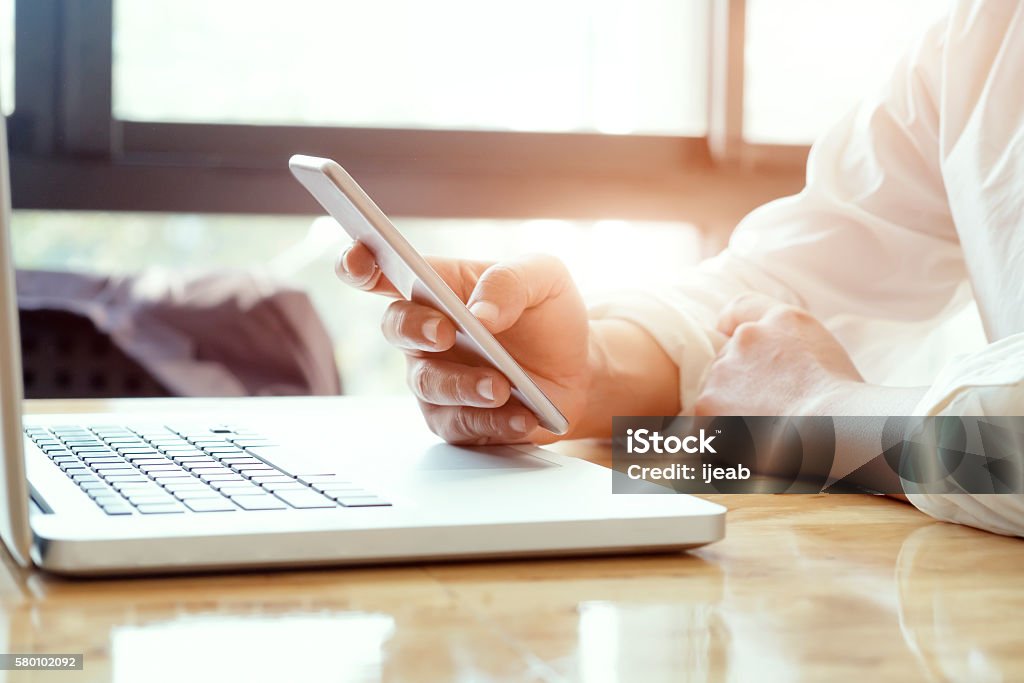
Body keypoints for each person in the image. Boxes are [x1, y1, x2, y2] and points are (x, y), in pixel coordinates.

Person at [334, 0, 1022, 536]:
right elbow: (805, 279)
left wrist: (828, 418)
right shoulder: (985, 34)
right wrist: (591, 369)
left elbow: (996, 450)